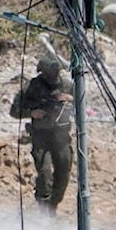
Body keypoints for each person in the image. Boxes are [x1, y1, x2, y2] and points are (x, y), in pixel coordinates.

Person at [10, 55, 74, 215]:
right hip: (41, 137)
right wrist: (32, 112)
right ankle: (44, 211)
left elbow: (85, 107)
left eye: (54, 73)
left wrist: (72, 100)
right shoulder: (32, 87)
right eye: (47, 74)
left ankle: (52, 207)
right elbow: (14, 110)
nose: (51, 77)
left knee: (64, 172)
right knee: (45, 174)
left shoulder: (67, 85)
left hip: (61, 136)